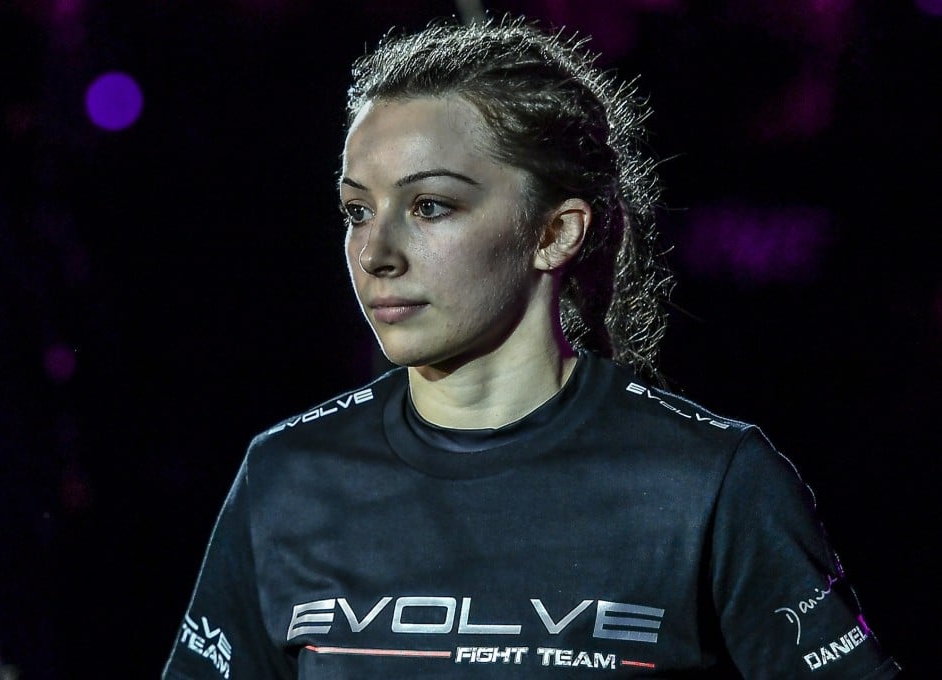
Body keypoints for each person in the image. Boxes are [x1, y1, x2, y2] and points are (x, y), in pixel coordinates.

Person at [162, 17, 900, 679]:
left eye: (430, 206)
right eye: (357, 210)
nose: (375, 251)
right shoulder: (287, 476)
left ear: (555, 233)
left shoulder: (709, 482)